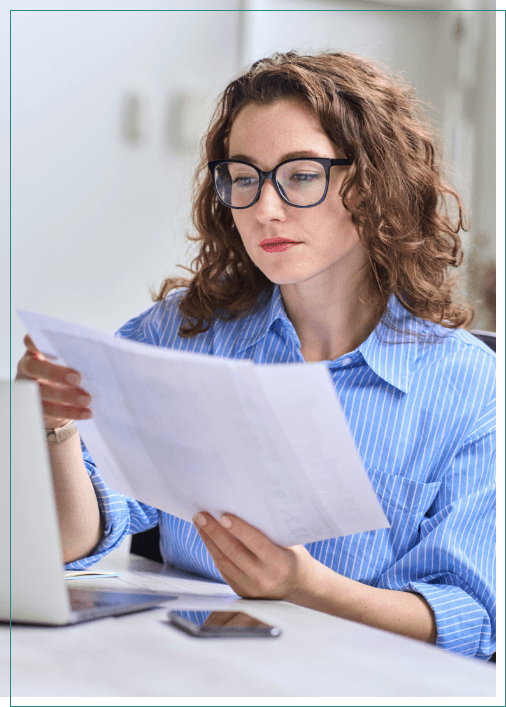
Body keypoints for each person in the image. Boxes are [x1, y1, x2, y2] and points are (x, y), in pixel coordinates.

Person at [17, 51, 495, 660]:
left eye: (300, 175)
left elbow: (475, 621)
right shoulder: (182, 332)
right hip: (184, 672)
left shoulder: (473, 388)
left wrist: (306, 588)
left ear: (375, 185)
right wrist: (54, 427)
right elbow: (70, 541)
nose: (264, 208)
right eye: (244, 177)